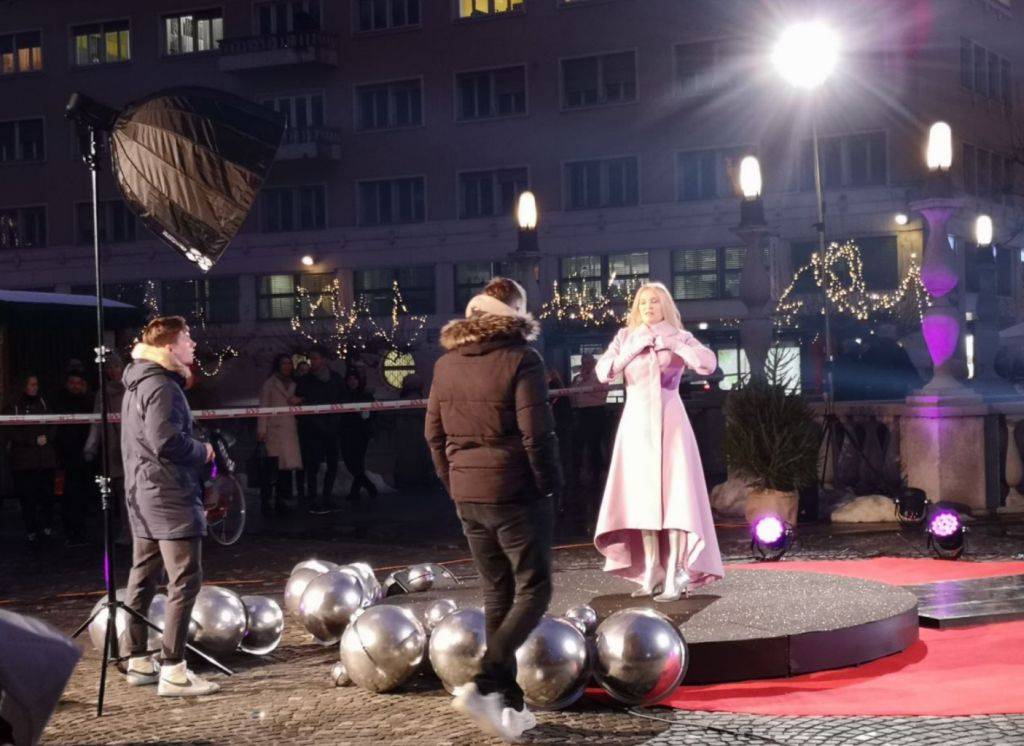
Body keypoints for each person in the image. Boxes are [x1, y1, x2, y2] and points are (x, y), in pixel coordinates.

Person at [426, 277, 561, 741]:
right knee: (534, 589)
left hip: (468, 492)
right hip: (515, 490)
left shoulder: (446, 363)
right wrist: (549, 485)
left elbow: (433, 434)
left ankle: (509, 704)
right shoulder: (523, 359)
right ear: (515, 313)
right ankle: (485, 683)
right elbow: (537, 434)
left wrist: (454, 483)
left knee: (497, 592)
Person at [594, 282, 724, 602]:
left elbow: (708, 364)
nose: (648, 307)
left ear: (664, 305)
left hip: (671, 421)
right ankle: (652, 568)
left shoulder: (680, 336)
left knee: (676, 497)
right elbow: (603, 372)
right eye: (642, 303)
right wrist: (632, 349)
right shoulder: (626, 336)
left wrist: (675, 344)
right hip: (636, 425)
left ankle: (677, 570)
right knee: (643, 498)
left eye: (653, 302)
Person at [120, 316, 219, 697]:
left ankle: (137, 659)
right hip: (169, 494)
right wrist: (203, 451)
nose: (193, 344)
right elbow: (166, 441)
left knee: (143, 577)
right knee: (185, 579)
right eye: (187, 338)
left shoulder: (138, 382)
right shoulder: (162, 385)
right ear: (168, 347)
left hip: (144, 492)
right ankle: (174, 670)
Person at [4, 374, 57, 546]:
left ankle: (47, 527)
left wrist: (48, 437)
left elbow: (53, 423)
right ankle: (32, 531)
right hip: (24, 462)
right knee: (28, 499)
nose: (35, 387)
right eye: (31, 384)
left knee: (47, 496)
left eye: (36, 384)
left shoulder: (43, 402)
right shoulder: (14, 405)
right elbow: (9, 430)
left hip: (45, 459)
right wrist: (31, 441)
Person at [294, 345, 345, 513]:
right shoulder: (305, 381)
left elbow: (343, 400)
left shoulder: (335, 379)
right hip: (313, 431)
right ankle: (313, 499)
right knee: (312, 466)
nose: (312, 362)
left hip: (332, 429)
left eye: (315, 358)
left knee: (332, 464)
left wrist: (336, 422)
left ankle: (327, 497)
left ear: (323, 360)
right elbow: (300, 406)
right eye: (311, 359)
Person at [84, 355, 128, 544]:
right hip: (113, 448)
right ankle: (128, 530)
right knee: (120, 493)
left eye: (116, 366)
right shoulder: (103, 394)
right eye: (110, 367)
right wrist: (91, 446)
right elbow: (97, 421)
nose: (113, 370)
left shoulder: (132, 388)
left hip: (133, 446)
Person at [257, 354, 302, 516]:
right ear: (278, 365)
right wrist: (262, 430)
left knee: (286, 469)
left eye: (289, 363)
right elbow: (263, 407)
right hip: (274, 431)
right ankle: (267, 501)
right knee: (272, 469)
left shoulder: (295, 383)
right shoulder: (270, 384)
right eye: (284, 363)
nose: (287, 366)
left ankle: (282, 500)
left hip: (289, 430)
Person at [53, 369, 93, 547]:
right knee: (67, 495)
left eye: (79, 383)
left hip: (85, 455)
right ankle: (69, 530)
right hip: (66, 456)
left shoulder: (88, 401)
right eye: (72, 383)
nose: (75, 386)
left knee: (83, 494)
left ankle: (82, 529)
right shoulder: (60, 401)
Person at [570, 354, 609, 488]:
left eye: (588, 362)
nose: (585, 365)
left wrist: (586, 384)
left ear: (593, 363)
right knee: (577, 446)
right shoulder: (577, 378)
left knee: (594, 446)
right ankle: (576, 476)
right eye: (583, 362)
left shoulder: (600, 377)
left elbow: (602, 395)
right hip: (580, 414)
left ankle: (596, 477)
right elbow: (572, 395)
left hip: (596, 413)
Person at [339, 367, 377, 501]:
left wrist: (364, 415)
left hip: (361, 433)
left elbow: (372, 414)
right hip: (346, 432)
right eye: (350, 379)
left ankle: (355, 492)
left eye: (355, 379)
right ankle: (368, 486)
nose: (352, 381)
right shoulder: (343, 395)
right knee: (350, 462)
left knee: (358, 463)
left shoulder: (366, 395)